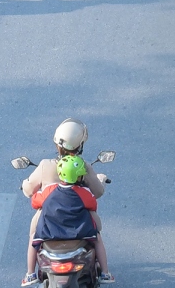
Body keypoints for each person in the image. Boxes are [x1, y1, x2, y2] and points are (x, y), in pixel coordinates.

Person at [20, 119, 110, 286]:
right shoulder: (84, 167)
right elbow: (96, 195)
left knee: (33, 236)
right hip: (79, 222)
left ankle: (30, 273)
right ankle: (104, 272)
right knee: (97, 234)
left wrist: (28, 187)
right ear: (80, 144)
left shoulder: (45, 167)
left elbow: (30, 192)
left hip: (49, 221)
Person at [27, 156, 112, 285]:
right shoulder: (84, 192)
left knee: (33, 240)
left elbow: (35, 202)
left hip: (50, 233)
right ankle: (105, 273)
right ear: (79, 177)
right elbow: (93, 205)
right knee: (98, 239)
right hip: (80, 232)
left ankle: (30, 274)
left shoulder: (49, 190)